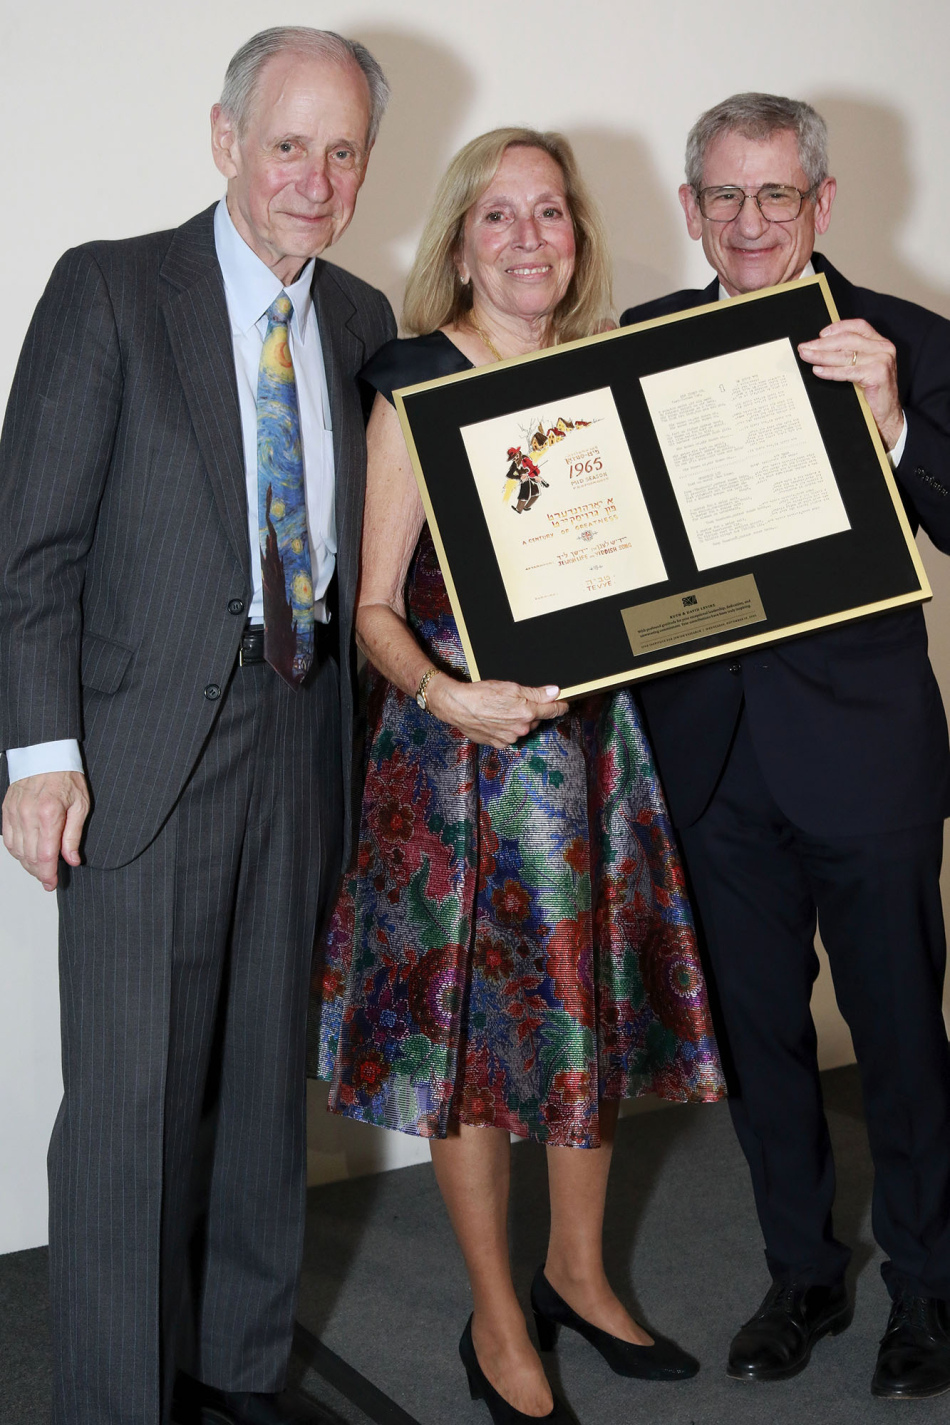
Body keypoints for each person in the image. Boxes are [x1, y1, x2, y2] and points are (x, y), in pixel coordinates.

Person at [0, 27, 395, 1425]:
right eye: (288, 144)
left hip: (304, 739)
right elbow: (30, 549)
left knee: (264, 1093)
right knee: (129, 1110)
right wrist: (40, 756)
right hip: (140, 758)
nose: (314, 178)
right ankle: (115, 1404)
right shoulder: (110, 289)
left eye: (342, 151)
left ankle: (238, 1371)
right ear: (226, 140)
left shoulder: (363, 319)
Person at [315, 127, 724, 1425]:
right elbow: (372, 609)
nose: (527, 238)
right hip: (456, 767)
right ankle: (498, 1318)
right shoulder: (413, 389)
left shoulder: (604, 383)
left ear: (578, 236)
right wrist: (446, 695)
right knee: (470, 1048)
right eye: (497, 215)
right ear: (458, 243)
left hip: (594, 763)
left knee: (578, 1019)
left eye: (549, 212)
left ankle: (578, 1277)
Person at [621, 92, 950, 1401]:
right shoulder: (635, 346)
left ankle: (928, 1289)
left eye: (775, 194)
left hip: (865, 759)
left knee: (900, 1040)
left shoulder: (906, 338)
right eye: (724, 195)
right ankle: (801, 1275)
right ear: (689, 208)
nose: (749, 220)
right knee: (757, 1040)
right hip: (710, 762)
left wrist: (894, 423)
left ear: (821, 203)